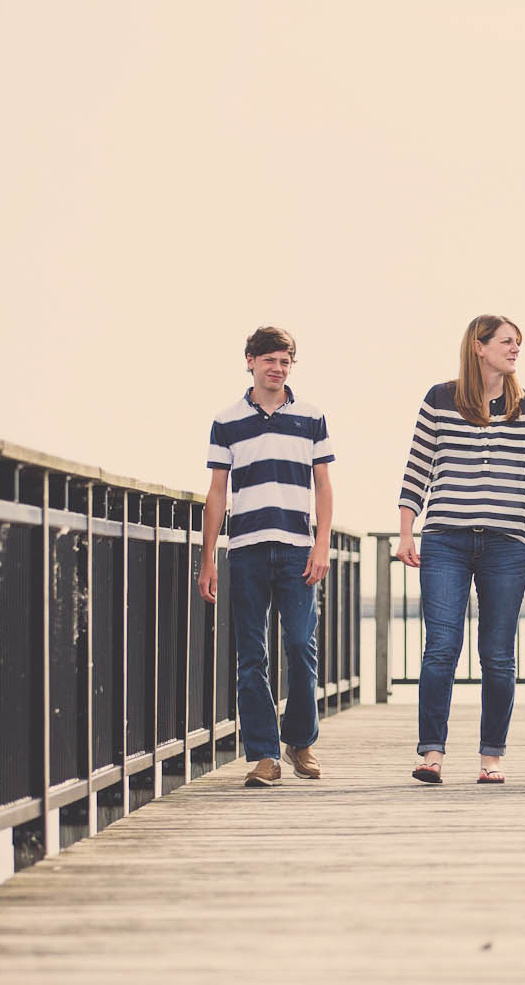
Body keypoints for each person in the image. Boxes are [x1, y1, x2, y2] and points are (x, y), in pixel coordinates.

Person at [396, 314, 525, 785]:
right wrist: (406, 532)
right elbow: (416, 469)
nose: (514, 349)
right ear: (479, 347)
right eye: (507, 341)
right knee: (441, 647)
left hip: (507, 544)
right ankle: (431, 753)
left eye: (518, 343)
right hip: (445, 539)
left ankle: (492, 756)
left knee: (498, 654)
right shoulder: (440, 399)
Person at [197, 326, 334, 788]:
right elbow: (217, 492)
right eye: (270, 360)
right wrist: (209, 557)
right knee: (251, 655)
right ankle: (263, 755)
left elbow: (324, 484)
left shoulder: (311, 417)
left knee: (300, 645)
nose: (278, 368)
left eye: (286, 361)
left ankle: (301, 741)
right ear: (250, 362)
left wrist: (322, 544)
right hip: (246, 551)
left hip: (298, 549)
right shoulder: (227, 420)